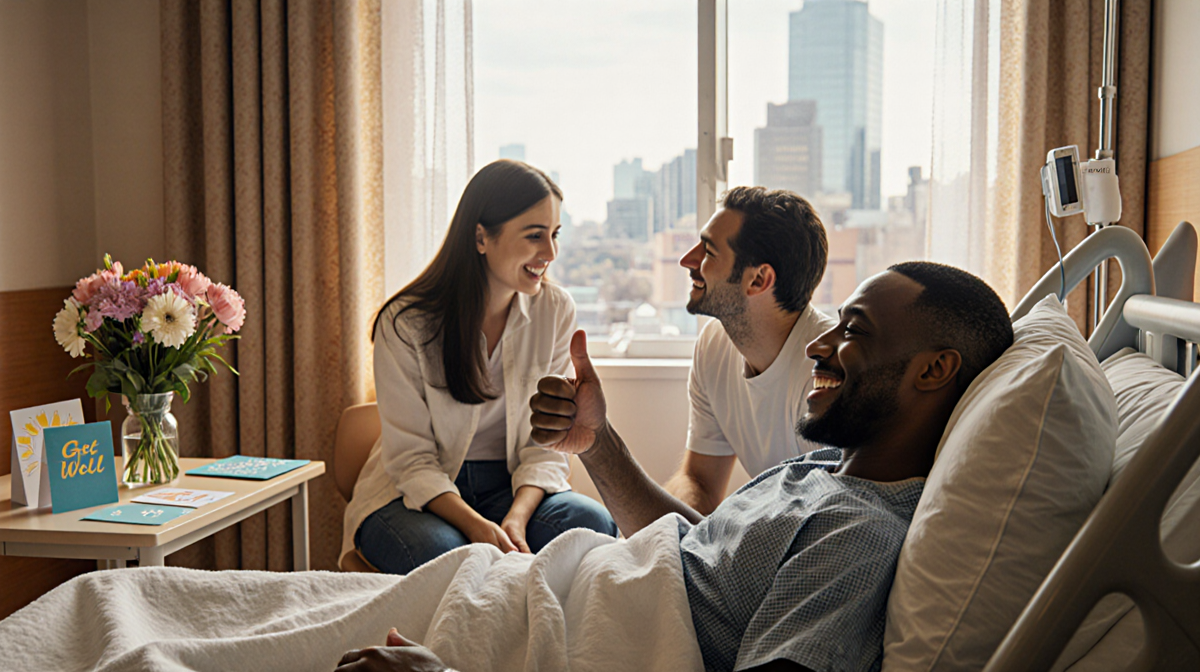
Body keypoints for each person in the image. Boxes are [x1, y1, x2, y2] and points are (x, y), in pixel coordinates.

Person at [335, 261, 1014, 671]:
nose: (821, 346)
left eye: (854, 330)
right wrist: (595, 441)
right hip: (536, 593)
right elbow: (696, 552)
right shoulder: (821, 473)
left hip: (537, 638)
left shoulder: (858, 538)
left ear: (934, 369)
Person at [341, 160, 617, 575]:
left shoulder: (555, 310)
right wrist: (477, 528)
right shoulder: (405, 323)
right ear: (481, 237)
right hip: (413, 495)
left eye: (555, 234)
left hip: (511, 489)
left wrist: (516, 519)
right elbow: (412, 462)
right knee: (453, 559)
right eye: (534, 235)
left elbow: (545, 444)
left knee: (593, 526)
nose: (551, 253)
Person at [665, 187, 835, 514]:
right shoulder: (714, 345)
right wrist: (667, 535)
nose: (687, 260)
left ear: (758, 279)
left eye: (709, 252)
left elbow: (824, 519)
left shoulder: (829, 373)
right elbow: (699, 480)